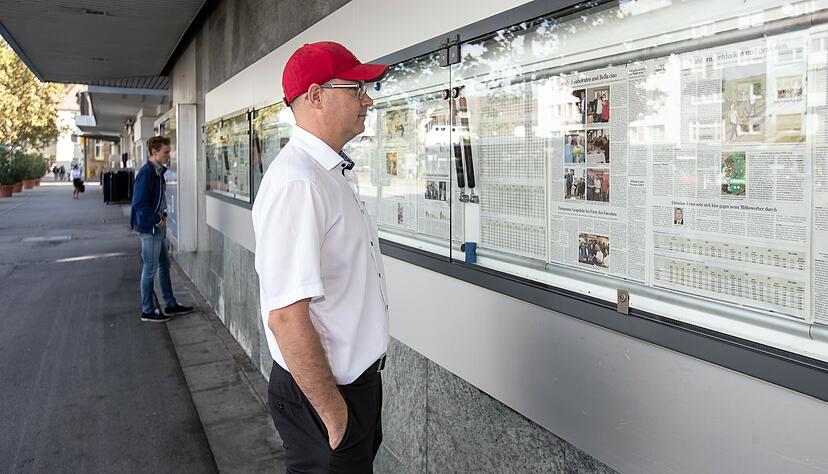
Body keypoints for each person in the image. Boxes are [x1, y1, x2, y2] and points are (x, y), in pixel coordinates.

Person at [251, 41, 390, 472]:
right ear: (315, 96)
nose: (368, 99)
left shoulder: (325, 173)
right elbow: (287, 317)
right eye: (356, 89)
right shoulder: (300, 183)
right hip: (326, 395)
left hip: (348, 388)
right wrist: (334, 417)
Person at [130, 135, 193, 323]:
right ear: (154, 152)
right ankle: (148, 310)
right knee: (150, 269)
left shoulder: (157, 171)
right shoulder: (147, 173)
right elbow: (139, 203)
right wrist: (156, 218)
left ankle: (170, 304)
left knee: (164, 265)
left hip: (157, 227)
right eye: (165, 152)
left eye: (169, 151)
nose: (168, 155)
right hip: (150, 228)